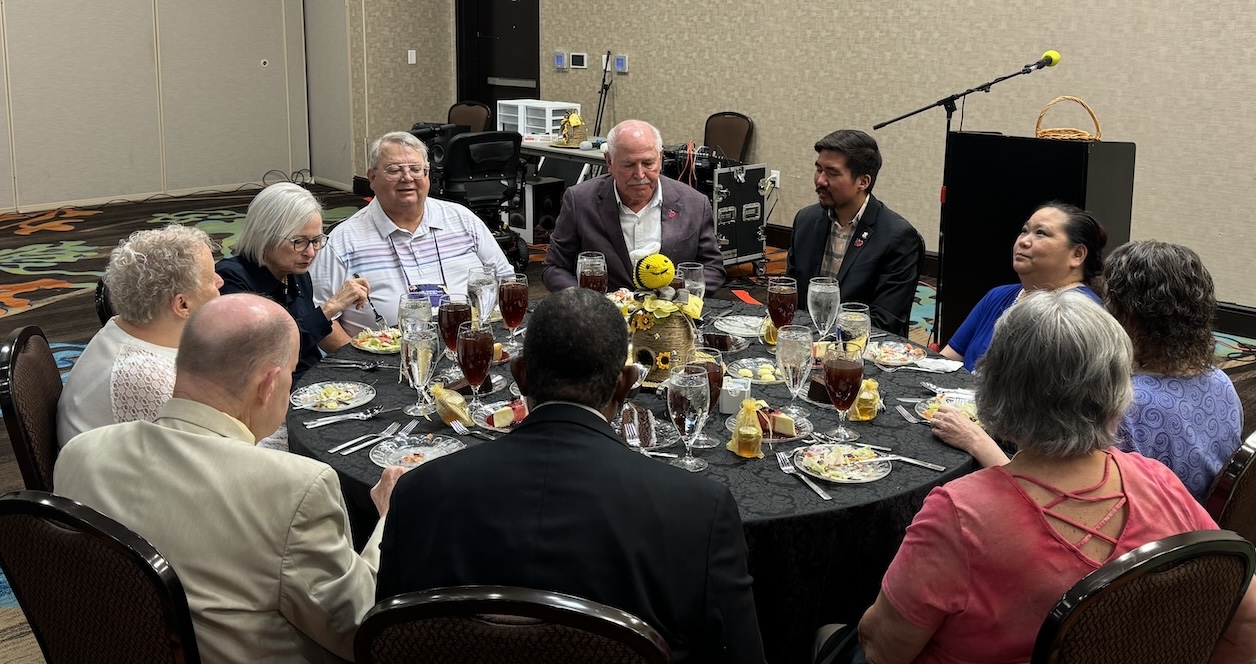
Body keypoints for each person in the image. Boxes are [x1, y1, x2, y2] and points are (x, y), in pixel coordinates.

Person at [846, 291, 1256, 664]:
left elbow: (884, 649)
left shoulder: (958, 514)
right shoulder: (1158, 481)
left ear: (995, 389)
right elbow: (1247, 621)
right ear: (1118, 392)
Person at [376, 288, 765, 664]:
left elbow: (389, 643)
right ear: (625, 384)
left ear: (520, 374)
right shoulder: (698, 511)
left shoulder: (417, 493)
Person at [55, 294, 405, 663]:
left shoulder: (80, 453)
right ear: (269, 384)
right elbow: (361, 629)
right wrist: (389, 519)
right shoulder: (293, 486)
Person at [311, 131, 513, 343]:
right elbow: (321, 319)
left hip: (472, 347)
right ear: (372, 178)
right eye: (394, 170)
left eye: (416, 169)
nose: (407, 178)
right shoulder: (343, 240)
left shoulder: (463, 220)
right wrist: (365, 362)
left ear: (427, 174)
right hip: (385, 366)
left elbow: (507, 281)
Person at [56, 224, 223, 448]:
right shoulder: (149, 378)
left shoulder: (121, 327)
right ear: (182, 304)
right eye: (211, 279)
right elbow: (211, 458)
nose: (220, 281)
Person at [1105, 241, 1242, 503]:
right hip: (1208, 533)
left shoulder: (1124, 405)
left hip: (1155, 537)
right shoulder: (1221, 382)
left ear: (1129, 315)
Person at [541, 119, 725, 295]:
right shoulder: (580, 201)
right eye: (628, 165)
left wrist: (677, 298)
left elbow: (712, 269)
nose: (639, 174)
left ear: (660, 158)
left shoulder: (694, 203)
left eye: (648, 163)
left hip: (672, 319)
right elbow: (554, 268)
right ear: (609, 162)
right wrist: (585, 301)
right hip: (602, 319)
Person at [217, 182, 371, 380]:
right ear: (265, 235)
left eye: (316, 241)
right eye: (298, 242)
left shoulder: (297, 273)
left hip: (311, 382)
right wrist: (330, 308)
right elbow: (265, 353)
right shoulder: (232, 279)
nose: (310, 253)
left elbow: (308, 346)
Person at [786, 129, 924, 336]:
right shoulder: (806, 220)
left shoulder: (898, 237)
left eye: (832, 173)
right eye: (818, 170)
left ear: (863, 182)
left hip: (859, 351)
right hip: (804, 339)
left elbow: (885, 321)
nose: (820, 181)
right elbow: (791, 296)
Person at [940, 201, 1106, 372]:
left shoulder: (1081, 316)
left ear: (1077, 254)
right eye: (1025, 231)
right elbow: (945, 361)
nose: (1024, 241)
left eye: (1041, 233)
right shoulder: (998, 296)